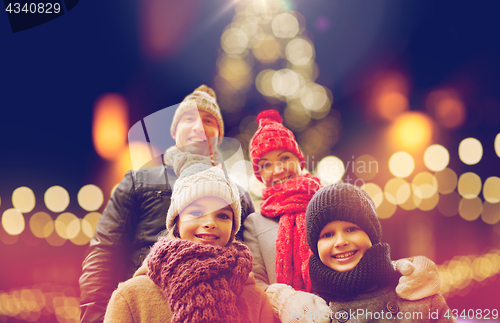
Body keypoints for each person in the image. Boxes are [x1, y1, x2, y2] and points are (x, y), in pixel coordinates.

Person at [243, 109, 442, 323]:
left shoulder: (327, 202)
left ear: (299, 160)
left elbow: (368, 253)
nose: (278, 169)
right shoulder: (255, 222)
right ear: (259, 173)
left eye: (284, 158)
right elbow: (257, 284)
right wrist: (286, 301)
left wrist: (407, 271)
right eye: (266, 165)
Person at [79, 85, 255, 322]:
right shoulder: (138, 182)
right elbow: (103, 253)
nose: (198, 127)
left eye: (209, 120)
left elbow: (253, 268)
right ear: (175, 131)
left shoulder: (240, 196)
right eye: (189, 118)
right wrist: (98, 318)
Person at [103, 164, 276, 323]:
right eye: (196, 212)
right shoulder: (131, 296)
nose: (210, 223)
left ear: (233, 229)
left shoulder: (256, 299)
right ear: (176, 223)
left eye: (223, 215)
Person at [304, 183, 454, 322]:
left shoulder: (419, 295)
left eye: (351, 229)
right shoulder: (308, 312)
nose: (341, 241)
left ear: (372, 234)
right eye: (328, 235)